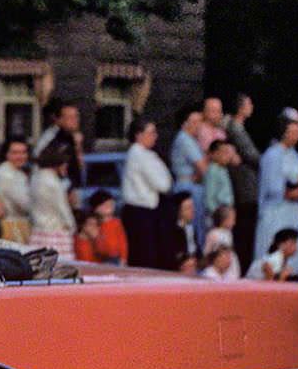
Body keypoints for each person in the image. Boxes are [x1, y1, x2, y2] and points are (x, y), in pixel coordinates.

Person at [256, 108, 298, 275]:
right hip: (276, 210)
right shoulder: (272, 155)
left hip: (293, 210)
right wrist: (295, 191)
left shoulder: (295, 155)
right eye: (293, 132)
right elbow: (273, 187)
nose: (297, 136)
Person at [121, 117, 170, 268]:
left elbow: (167, 180)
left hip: (147, 212)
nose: (155, 136)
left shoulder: (147, 155)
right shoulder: (138, 154)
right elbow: (162, 184)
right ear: (138, 135)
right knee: (143, 257)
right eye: (151, 133)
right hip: (139, 213)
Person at [223, 93, 261, 263]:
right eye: (249, 103)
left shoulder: (238, 128)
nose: (252, 106)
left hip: (246, 184)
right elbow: (251, 154)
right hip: (244, 185)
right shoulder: (235, 128)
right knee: (245, 229)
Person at [28, 142, 76, 260]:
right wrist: (72, 226)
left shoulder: (35, 178)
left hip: (38, 232)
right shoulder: (53, 183)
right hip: (56, 233)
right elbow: (62, 208)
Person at [170, 106, 209, 232]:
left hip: (190, 184)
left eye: (200, 122)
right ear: (184, 124)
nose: (198, 126)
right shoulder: (185, 140)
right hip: (188, 187)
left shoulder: (190, 139)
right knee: (193, 225)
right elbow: (203, 168)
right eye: (194, 122)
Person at [0, 137, 32, 244]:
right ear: (6, 154)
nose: (20, 156)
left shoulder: (15, 171)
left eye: (23, 152)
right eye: (15, 153)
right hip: (11, 227)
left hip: (18, 224)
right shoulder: (7, 174)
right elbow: (25, 204)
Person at [88, 191, 129, 266]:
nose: (108, 207)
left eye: (111, 205)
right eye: (104, 205)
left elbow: (123, 242)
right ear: (95, 208)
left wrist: (124, 258)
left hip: (116, 258)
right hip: (99, 259)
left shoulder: (116, 223)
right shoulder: (93, 223)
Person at [202, 139, 237, 228]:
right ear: (214, 154)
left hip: (227, 213)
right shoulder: (212, 171)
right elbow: (209, 198)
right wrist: (218, 216)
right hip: (218, 216)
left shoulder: (223, 169)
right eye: (223, 152)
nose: (226, 156)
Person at [204, 205, 242, 280]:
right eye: (232, 219)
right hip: (218, 265)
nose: (234, 223)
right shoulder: (213, 233)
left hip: (229, 263)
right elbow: (207, 252)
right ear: (224, 219)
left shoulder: (229, 233)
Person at [171, 193, 201, 273]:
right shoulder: (173, 230)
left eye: (192, 207)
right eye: (188, 208)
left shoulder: (192, 228)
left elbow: (198, 251)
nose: (192, 210)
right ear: (179, 210)